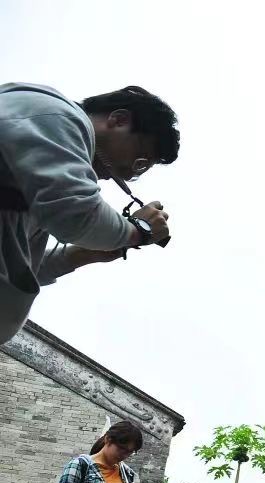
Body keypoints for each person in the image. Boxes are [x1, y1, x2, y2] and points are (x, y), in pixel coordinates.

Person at [0, 84, 178, 343]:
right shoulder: (58, 115)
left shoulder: (36, 189)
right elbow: (76, 215)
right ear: (118, 120)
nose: (129, 174)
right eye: (139, 161)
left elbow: (18, 265)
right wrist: (138, 230)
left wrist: (80, 255)